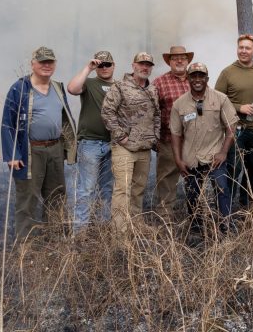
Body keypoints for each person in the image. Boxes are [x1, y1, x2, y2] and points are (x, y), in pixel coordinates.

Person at [1, 46, 77, 240]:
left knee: (57, 195)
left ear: (55, 65)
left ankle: (55, 239)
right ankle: (26, 245)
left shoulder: (59, 88)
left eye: (50, 62)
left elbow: (66, 119)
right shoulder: (20, 88)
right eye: (42, 61)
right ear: (33, 64)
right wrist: (12, 155)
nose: (46, 65)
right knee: (28, 198)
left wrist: (70, 147)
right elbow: (7, 123)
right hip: (30, 151)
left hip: (55, 148)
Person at [170, 62, 238, 231]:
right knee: (193, 194)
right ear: (188, 79)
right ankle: (196, 227)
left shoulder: (220, 99)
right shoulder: (179, 104)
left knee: (222, 189)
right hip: (191, 157)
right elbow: (176, 134)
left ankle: (225, 226)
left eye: (201, 76)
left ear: (207, 78)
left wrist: (223, 152)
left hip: (215, 155)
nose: (197, 79)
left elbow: (231, 128)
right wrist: (178, 160)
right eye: (194, 76)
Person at [101, 52, 161, 234]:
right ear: (133, 65)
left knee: (138, 189)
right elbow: (107, 112)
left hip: (144, 148)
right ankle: (120, 233)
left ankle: (136, 224)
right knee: (122, 190)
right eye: (141, 64)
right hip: (124, 148)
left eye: (148, 65)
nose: (145, 67)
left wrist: (155, 137)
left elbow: (157, 114)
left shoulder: (152, 90)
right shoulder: (120, 87)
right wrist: (120, 136)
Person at [215, 34, 253, 210]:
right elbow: (216, 100)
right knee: (234, 168)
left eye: (248, 48)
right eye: (241, 47)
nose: (244, 51)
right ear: (237, 49)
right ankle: (226, 205)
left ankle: (247, 201)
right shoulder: (227, 72)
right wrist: (239, 107)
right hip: (235, 131)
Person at [67, 51, 115, 233]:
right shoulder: (89, 83)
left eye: (107, 64)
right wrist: (88, 68)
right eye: (100, 65)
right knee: (86, 189)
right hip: (90, 144)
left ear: (113, 66)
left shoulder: (119, 87)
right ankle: (79, 232)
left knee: (107, 189)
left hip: (113, 144)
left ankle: (104, 229)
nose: (104, 68)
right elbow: (72, 89)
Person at [152, 45, 193, 218]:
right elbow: (152, 111)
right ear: (169, 61)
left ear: (187, 60)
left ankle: (195, 216)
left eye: (182, 57)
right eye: (175, 58)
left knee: (194, 179)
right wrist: (154, 138)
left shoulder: (196, 79)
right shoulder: (159, 82)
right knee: (167, 180)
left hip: (193, 141)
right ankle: (164, 218)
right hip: (168, 140)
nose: (179, 61)